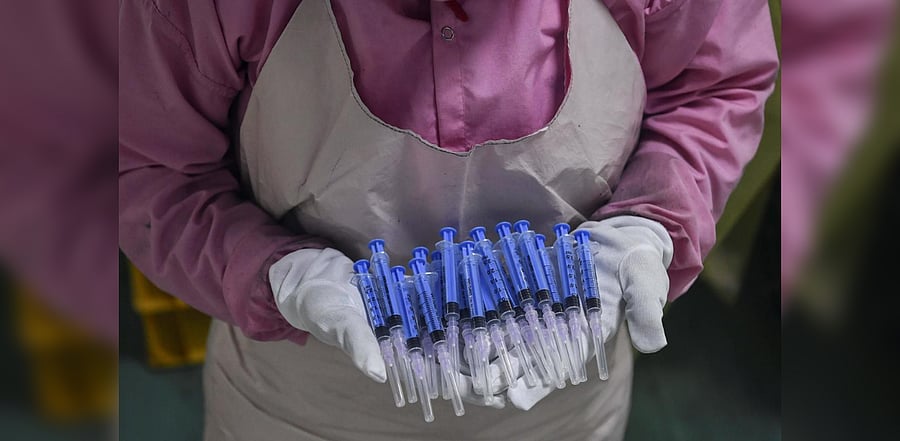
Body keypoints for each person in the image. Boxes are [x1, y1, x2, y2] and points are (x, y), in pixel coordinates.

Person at [120, 0, 778, 439]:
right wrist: (276, 275)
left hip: (563, 400)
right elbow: (148, 168)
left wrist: (655, 218)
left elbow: (713, 87)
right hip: (304, 408)